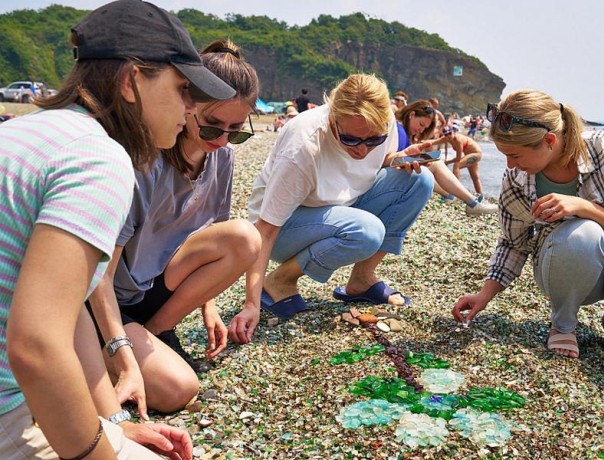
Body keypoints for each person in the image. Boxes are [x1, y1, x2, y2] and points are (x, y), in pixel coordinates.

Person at [0, 0, 235, 457]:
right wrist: (98, 450)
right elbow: (36, 348)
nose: (190, 109)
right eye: (184, 89)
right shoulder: (97, 159)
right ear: (131, 81)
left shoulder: (32, 133)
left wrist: (111, 424)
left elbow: (68, 317)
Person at [87, 39, 262, 414]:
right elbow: (98, 274)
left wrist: (207, 306)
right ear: (187, 106)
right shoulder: (143, 162)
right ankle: (109, 346)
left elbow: (213, 239)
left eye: (236, 131)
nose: (223, 140)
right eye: (213, 127)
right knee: (177, 390)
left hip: (158, 286)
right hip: (110, 299)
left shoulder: (222, 159)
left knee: (246, 237)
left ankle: (154, 332)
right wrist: (124, 354)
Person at [452, 89, 604, 359]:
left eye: (515, 155)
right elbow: (512, 243)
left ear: (550, 140)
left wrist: (587, 208)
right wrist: (484, 295)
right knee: (583, 235)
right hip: (561, 270)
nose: (510, 165)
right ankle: (563, 324)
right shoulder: (517, 179)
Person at [240, 74, 434, 324]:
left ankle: (362, 280)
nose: (362, 150)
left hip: (341, 205)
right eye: (350, 139)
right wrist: (251, 304)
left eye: (374, 140)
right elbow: (265, 230)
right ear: (333, 118)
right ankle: (279, 281)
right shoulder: (304, 146)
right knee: (367, 231)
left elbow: (374, 164)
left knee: (420, 180)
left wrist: (397, 159)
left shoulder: (383, 124)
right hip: (286, 226)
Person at [395, 100, 497, 215]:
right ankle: (468, 200)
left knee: (472, 175)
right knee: (441, 165)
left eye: (424, 128)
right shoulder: (398, 131)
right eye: (421, 125)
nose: (421, 130)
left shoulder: (404, 132)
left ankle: (459, 196)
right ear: (411, 115)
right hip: (392, 176)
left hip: (476, 153)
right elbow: (393, 159)